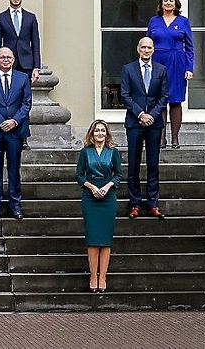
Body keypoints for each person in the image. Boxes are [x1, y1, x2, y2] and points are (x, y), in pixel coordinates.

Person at [120, 36, 169, 220]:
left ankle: (153, 204)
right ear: (138, 49)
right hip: (135, 123)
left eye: (150, 48)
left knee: (153, 165)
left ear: (153, 50)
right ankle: (135, 204)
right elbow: (125, 95)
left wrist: (152, 115)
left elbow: (164, 97)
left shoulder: (161, 70)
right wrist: (141, 114)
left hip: (154, 124)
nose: (146, 50)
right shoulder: (128, 69)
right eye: (144, 47)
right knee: (133, 164)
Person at [0, 47, 32, 220]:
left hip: (15, 131)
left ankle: (15, 205)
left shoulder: (23, 78)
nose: (5, 60)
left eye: (8, 57)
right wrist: (0, 122)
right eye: (2, 57)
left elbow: (26, 103)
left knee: (13, 169)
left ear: (13, 59)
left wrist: (14, 121)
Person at [0, 0, 41, 150]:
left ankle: (23, 137)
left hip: (26, 65)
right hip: (7, 65)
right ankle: (6, 134)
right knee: (8, 99)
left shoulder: (31, 17)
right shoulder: (1, 18)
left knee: (24, 101)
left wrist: (36, 67)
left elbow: (35, 42)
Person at [76, 119, 122, 293]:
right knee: (93, 240)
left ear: (107, 133)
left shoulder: (113, 152)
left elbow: (118, 175)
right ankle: (93, 275)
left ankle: (103, 276)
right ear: (92, 134)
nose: (100, 134)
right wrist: (92, 187)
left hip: (108, 197)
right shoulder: (85, 152)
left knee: (106, 240)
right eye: (97, 131)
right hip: (90, 197)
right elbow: (79, 175)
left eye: (103, 131)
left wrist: (107, 186)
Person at [146, 0, 194, 149]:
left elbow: (189, 48)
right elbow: (147, 44)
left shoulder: (183, 21)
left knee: (175, 101)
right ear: (161, 4)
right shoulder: (154, 21)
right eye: (165, 0)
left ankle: (174, 138)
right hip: (157, 63)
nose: (168, 3)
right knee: (159, 100)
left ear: (176, 4)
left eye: (171, 0)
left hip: (177, 63)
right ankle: (161, 138)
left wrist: (189, 68)